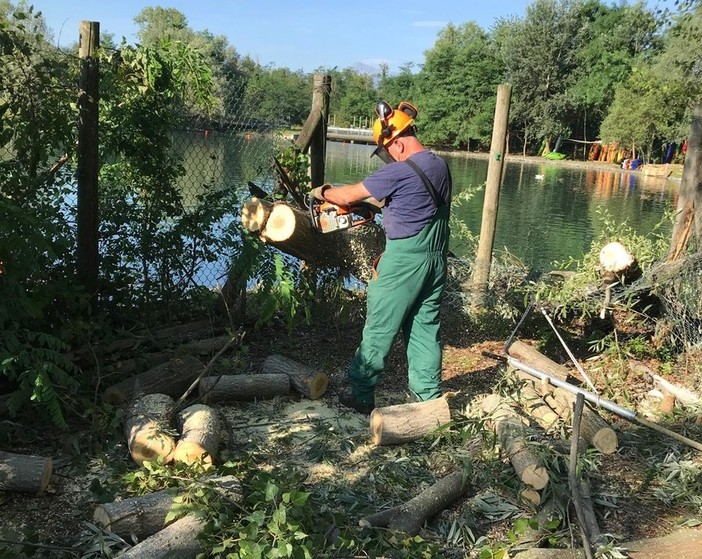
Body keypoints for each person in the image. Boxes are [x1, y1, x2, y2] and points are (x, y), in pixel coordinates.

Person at [310, 100, 452, 414]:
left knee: (379, 328)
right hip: (434, 259)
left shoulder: (400, 171)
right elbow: (415, 205)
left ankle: (360, 394)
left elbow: (346, 196)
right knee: (425, 328)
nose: (387, 159)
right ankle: (428, 400)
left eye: (386, 152)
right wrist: (379, 209)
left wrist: (322, 192)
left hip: (403, 262)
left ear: (397, 143)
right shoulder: (438, 165)